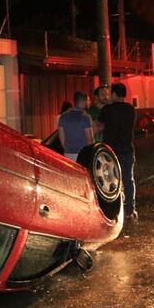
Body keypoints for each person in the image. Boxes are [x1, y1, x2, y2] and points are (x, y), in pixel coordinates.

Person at [96, 83, 137, 219]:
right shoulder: (131, 109)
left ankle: (114, 210)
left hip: (112, 152)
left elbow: (100, 126)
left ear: (114, 94)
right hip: (127, 150)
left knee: (112, 181)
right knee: (128, 179)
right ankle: (131, 209)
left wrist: (106, 106)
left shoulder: (107, 110)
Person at [57, 92, 94, 161]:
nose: (89, 102)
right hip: (83, 153)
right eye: (88, 101)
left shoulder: (63, 116)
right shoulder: (86, 117)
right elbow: (90, 139)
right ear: (84, 101)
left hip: (68, 153)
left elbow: (61, 137)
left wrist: (66, 149)